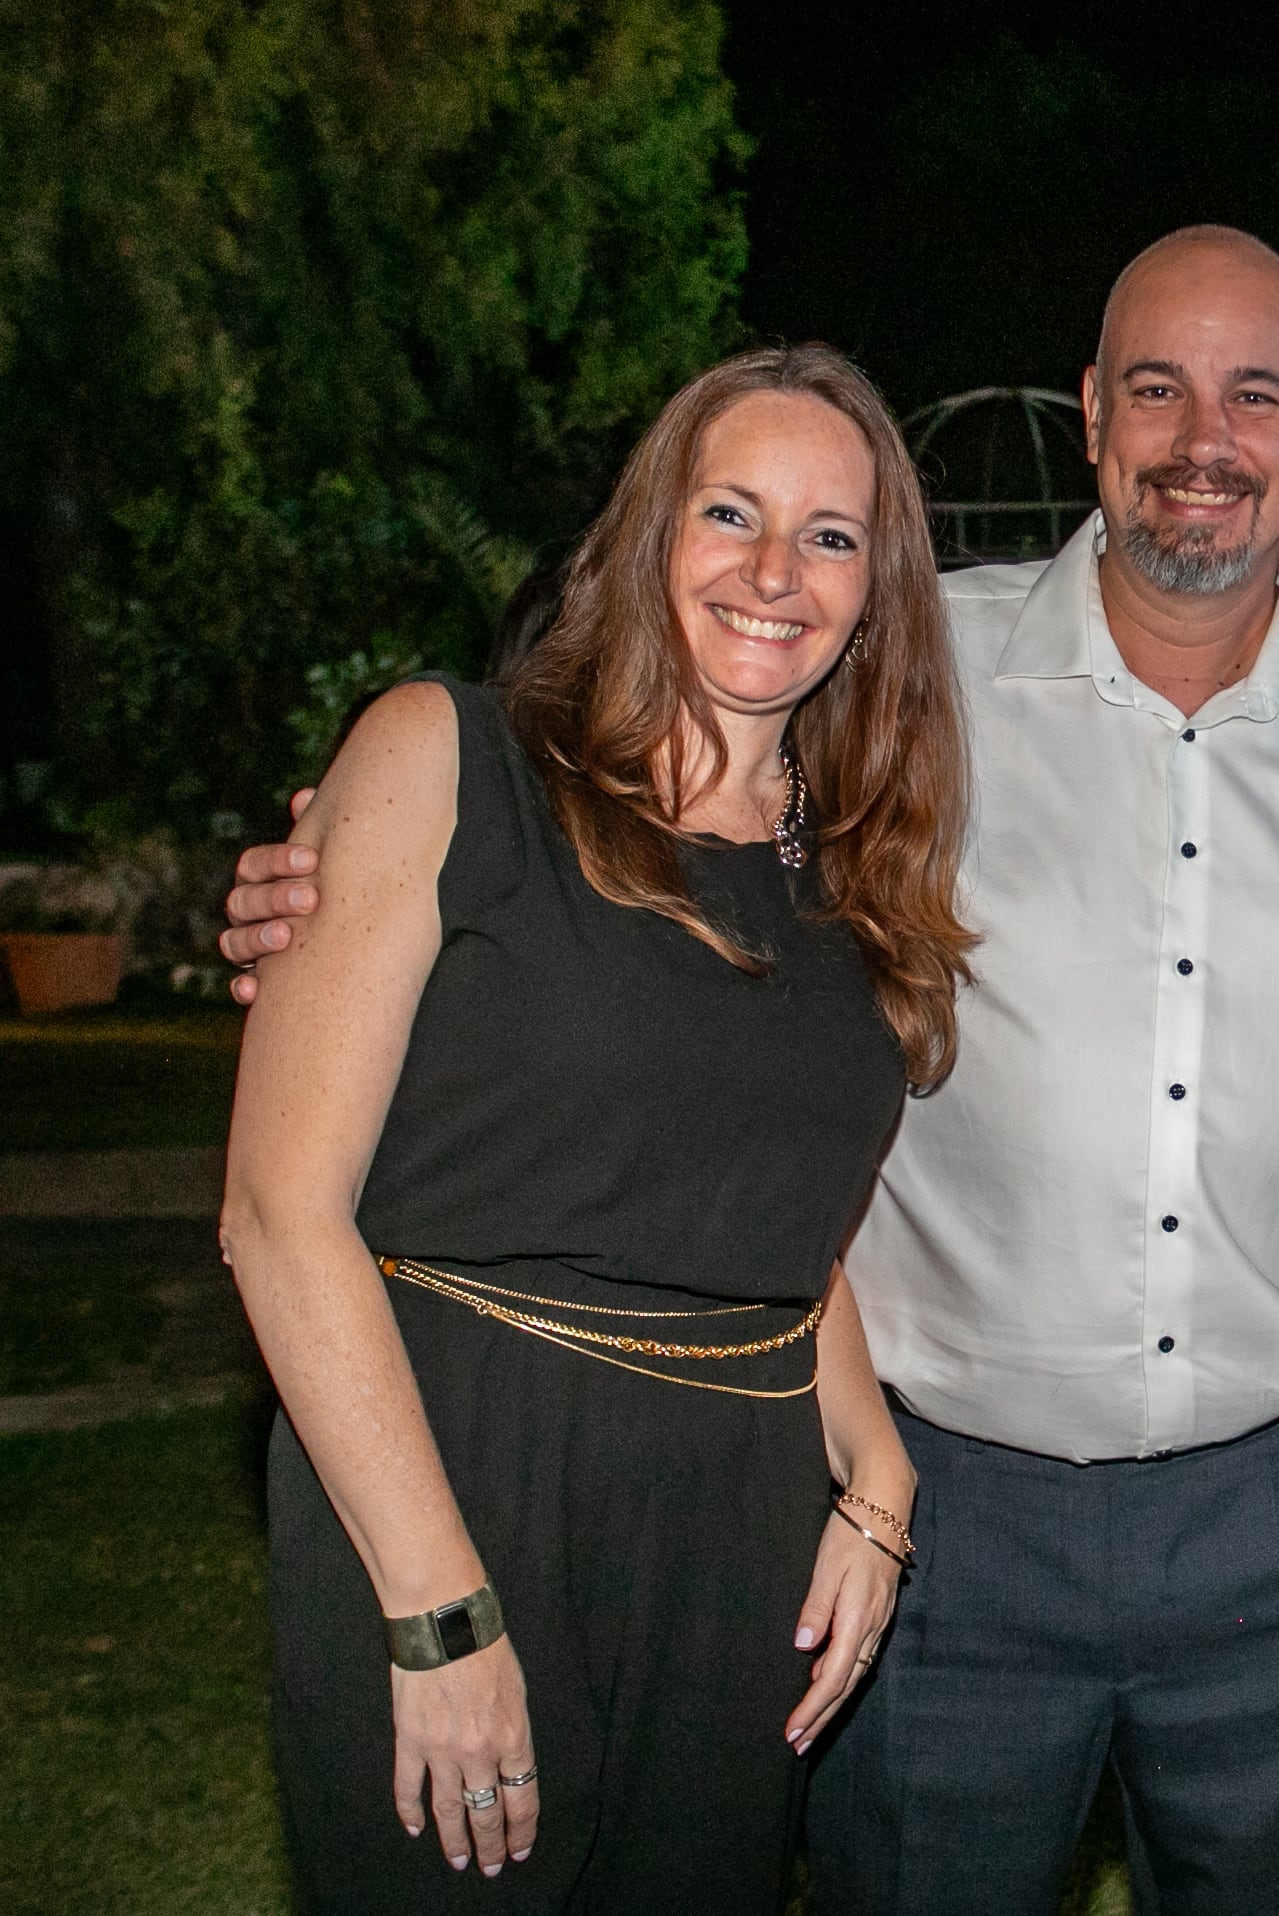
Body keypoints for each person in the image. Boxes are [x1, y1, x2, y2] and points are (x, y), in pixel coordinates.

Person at [227, 227, 1279, 1916]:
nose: (1206, 437)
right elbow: (552, 852)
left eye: (1253, 394)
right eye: (1157, 389)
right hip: (935, 1500)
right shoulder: (909, 685)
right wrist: (318, 878)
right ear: (1090, 417)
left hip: (1265, 1512)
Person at [218, 345, 970, 1911]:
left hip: (736, 1530)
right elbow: (281, 1216)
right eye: (730, 513)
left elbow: (774, 1229)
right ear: (649, 535)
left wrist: (878, 1479)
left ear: (878, 594)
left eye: (831, 537)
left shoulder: (858, 888)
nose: (775, 572)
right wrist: (436, 1609)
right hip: (458, 1475)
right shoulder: (452, 760)